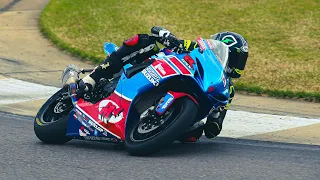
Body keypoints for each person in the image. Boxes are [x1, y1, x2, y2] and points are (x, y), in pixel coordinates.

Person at [78, 26, 249, 142]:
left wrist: (213, 119)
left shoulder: (227, 89)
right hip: (155, 68)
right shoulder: (199, 50)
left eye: (240, 60)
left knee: (192, 135)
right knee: (143, 41)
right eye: (236, 58)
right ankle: (91, 79)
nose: (238, 64)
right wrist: (167, 36)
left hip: (184, 101)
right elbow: (174, 40)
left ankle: (156, 128)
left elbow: (214, 127)